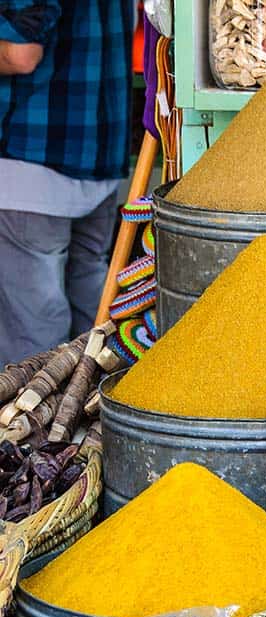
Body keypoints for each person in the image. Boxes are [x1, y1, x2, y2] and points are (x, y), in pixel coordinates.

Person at [0, 0, 132, 365]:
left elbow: (20, 54)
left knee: (31, 343)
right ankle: (89, 419)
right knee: (93, 332)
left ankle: (33, 422)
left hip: (32, 164)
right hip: (98, 161)